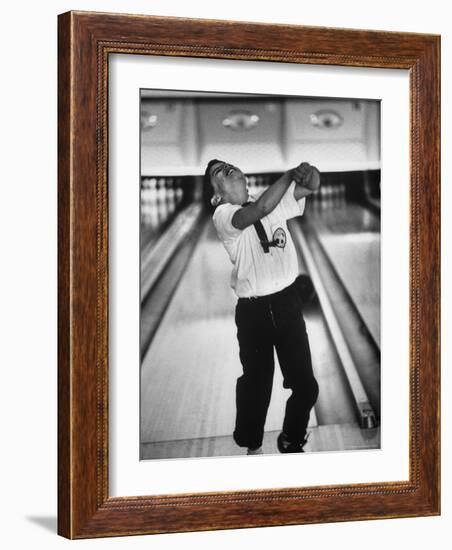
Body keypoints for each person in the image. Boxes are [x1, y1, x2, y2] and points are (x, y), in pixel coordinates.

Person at [206, 159, 321, 455]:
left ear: (245, 176)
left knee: (306, 387)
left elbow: (310, 187)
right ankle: (252, 445)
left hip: (288, 305)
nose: (226, 169)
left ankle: (292, 438)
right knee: (256, 389)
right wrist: (288, 174)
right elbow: (260, 211)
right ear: (216, 195)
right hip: (253, 313)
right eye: (219, 172)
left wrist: (310, 174)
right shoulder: (224, 215)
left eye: (229, 166)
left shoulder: (268, 200)